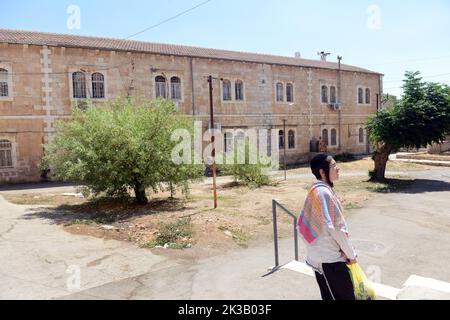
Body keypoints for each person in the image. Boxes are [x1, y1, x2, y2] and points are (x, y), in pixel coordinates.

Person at [297, 153, 357, 300]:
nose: (338, 168)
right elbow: (336, 229)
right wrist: (351, 255)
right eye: (334, 166)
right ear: (322, 172)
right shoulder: (323, 193)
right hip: (330, 262)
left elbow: (302, 226)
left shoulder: (316, 190)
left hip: (323, 259)